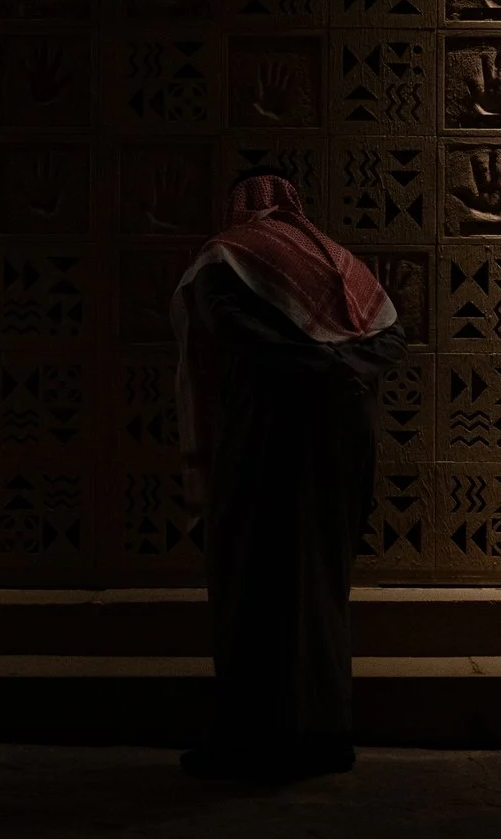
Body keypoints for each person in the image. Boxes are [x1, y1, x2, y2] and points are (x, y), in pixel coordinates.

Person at [171, 174, 406, 780]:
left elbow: (225, 325)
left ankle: (249, 744)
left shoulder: (228, 255)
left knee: (252, 579)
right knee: (321, 580)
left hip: (267, 435)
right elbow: (392, 333)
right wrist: (342, 366)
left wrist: (312, 365)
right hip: (341, 439)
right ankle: (326, 736)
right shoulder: (338, 262)